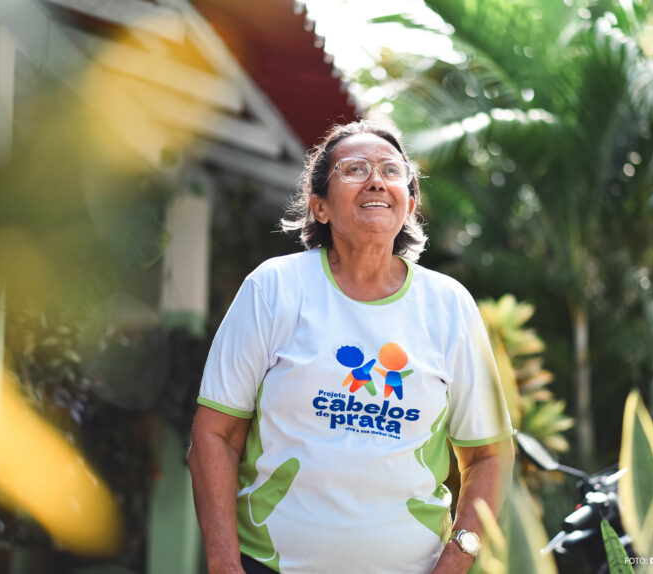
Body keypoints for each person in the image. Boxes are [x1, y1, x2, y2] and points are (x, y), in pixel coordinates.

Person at [188, 121, 514, 574]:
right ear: (319, 207)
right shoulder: (274, 288)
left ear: (409, 205)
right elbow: (215, 436)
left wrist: (457, 560)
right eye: (355, 169)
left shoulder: (449, 306)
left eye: (391, 170)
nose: (376, 180)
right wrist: (223, 563)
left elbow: (489, 455)